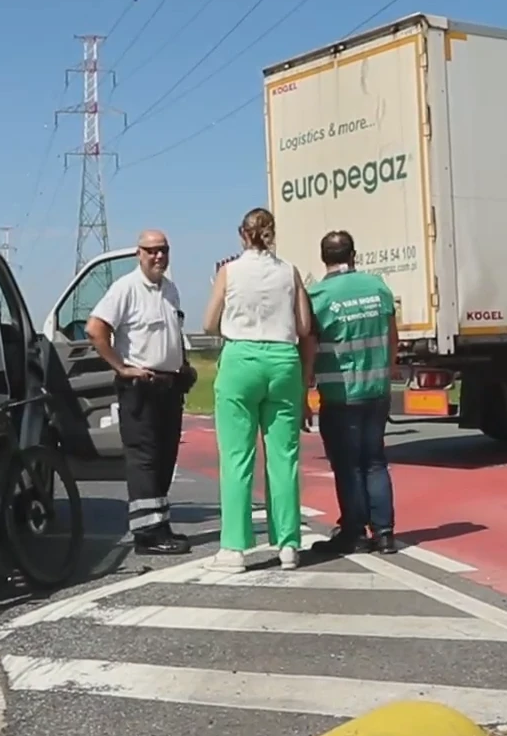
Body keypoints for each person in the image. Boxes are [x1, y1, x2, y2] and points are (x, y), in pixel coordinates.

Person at [202, 208, 314, 572]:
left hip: (241, 358)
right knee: (284, 457)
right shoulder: (290, 271)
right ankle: (288, 544)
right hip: (283, 360)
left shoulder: (229, 271)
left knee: (237, 457)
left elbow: (208, 323)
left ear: (242, 234)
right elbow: (303, 324)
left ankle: (234, 548)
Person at [86, 229, 197, 556]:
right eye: (151, 251)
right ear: (139, 254)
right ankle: (148, 535)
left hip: (169, 386)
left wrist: (183, 366)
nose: (158, 256)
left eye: (163, 250)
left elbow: (173, 333)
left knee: (165, 459)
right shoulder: (126, 289)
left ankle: (159, 524)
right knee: (144, 460)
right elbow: (95, 329)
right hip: (141, 387)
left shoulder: (170, 290)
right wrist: (121, 367)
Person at [307, 231, 400, 555]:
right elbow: (392, 338)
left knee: (348, 465)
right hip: (377, 389)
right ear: (354, 254)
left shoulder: (317, 296)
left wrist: (305, 387)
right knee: (375, 461)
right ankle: (385, 533)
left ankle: (354, 531)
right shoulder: (377, 287)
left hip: (340, 392)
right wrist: (385, 374)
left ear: (323, 258)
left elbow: (309, 346)